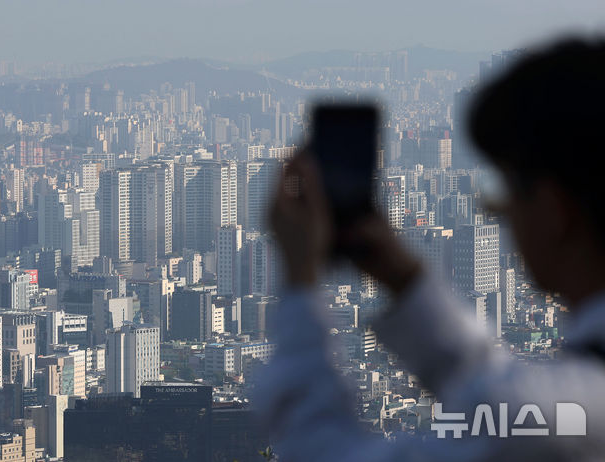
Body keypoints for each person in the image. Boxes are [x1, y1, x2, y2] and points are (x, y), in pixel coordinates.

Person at [258, 38, 605, 461]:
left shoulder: (565, 422)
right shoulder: (576, 408)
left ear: (555, 211)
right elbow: (500, 403)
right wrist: (404, 279)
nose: (500, 213)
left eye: (506, 192)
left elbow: (323, 449)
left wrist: (299, 283)